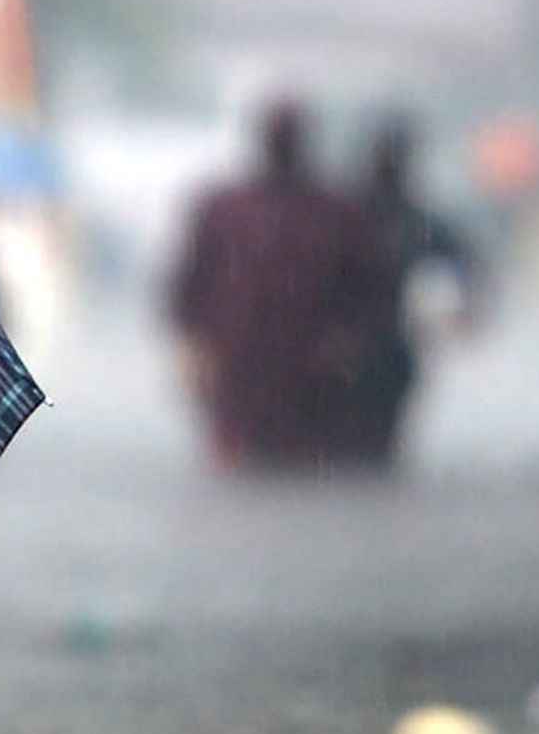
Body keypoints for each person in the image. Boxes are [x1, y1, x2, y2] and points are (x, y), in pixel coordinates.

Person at [166, 97, 391, 471]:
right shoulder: (226, 209)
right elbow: (189, 284)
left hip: (308, 371)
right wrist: (192, 349)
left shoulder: (334, 212)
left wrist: (349, 344)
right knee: (249, 463)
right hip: (243, 366)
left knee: (298, 463)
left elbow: (366, 290)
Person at [338, 113, 483, 466]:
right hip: (348, 347)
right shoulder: (342, 217)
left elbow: (465, 263)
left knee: (372, 449)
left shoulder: (411, 222)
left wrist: (464, 310)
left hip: (384, 348)